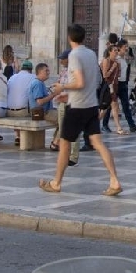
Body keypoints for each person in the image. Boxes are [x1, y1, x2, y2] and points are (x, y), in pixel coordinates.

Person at [39, 23, 124, 197]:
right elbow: (94, 81)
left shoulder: (75, 55)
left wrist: (61, 87)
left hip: (77, 108)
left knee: (64, 145)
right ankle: (114, 180)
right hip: (91, 105)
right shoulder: (91, 54)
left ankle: (56, 183)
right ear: (84, 37)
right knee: (98, 143)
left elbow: (79, 82)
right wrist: (68, 94)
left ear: (69, 38)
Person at [114, 42, 136, 132]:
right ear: (119, 48)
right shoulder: (117, 59)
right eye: (124, 47)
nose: (126, 48)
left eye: (127, 47)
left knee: (125, 105)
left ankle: (132, 125)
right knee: (109, 107)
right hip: (116, 84)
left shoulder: (123, 59)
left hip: (123, 83)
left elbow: (131, 59)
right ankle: (101, 124)